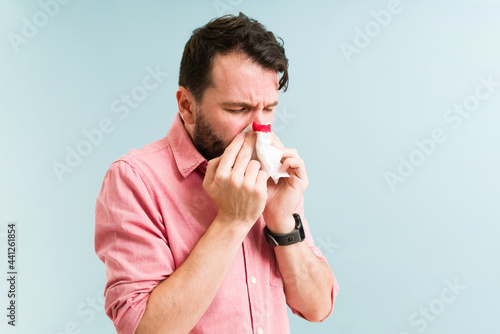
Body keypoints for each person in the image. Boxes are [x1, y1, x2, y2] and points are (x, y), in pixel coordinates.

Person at [94, 12, 339, 334]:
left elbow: (318, 307)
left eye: (268, 109)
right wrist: (232, 220)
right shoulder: (135, 179)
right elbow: (145, 329)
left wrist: (281, 221)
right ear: (187, 106)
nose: (259, 129)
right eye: (237, 109)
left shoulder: (272, 174)